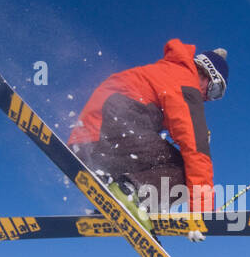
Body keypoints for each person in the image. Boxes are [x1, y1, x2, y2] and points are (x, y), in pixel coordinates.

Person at [68, 39, 228, 234]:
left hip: (91, 144)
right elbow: (196, 150)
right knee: (185, 172)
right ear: (206, 74)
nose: (208, 98)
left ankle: (126, 197)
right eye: (214, 90)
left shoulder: (167, 73)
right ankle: (131, 195)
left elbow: (173, 125)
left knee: (164, 163)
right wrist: (202, 213)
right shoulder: (186, 82)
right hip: (113, 129)